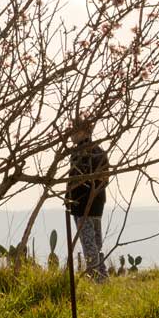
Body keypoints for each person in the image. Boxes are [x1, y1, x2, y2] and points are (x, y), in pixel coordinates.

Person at [66, 118, 111, 281]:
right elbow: (106, 178)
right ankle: (103, 276)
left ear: (83, 131)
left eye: (73, 131)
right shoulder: (100, 150)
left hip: (82, 204)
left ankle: (96, 278)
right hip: (98, 203)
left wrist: (69, 198)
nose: (71, 135)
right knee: (96, 242)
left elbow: (74, 178)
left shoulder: (79, 152)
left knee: (88, 243)